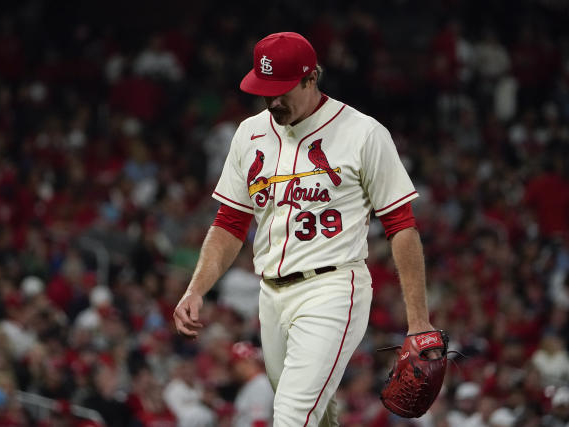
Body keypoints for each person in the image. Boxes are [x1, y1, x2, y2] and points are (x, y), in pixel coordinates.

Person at [173, 31, 437, 426]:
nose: (273, 100)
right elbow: (230, 221)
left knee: (292, 416)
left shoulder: (363, 133)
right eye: (266, 90)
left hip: (331, 289)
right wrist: (196, 288)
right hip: (271, 296)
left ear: (311, 78)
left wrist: (418, 321)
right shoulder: (249, 133)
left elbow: (401, 225)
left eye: (282, 89)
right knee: (318, 417)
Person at [229, 341, 274, 427]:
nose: (234, 370)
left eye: (235, 364)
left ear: (244, 363)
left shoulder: (260, 385)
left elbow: (260, 422)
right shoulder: (251, 384)